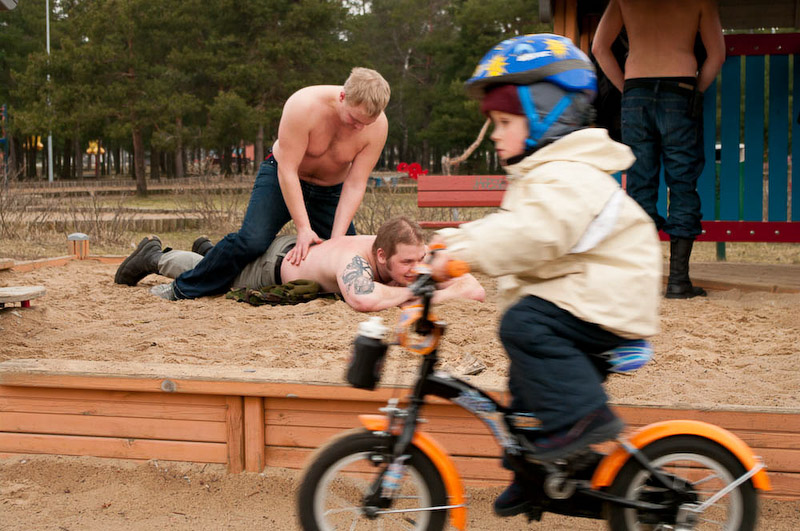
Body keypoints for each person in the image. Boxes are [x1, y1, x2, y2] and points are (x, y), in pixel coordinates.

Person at [429, 34, 661, 517]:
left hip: (609, 296)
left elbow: (532, 235)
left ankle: (586, 426)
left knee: (524, 326)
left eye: (505, 121)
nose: (494, 134)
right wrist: (450, 244)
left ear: (547, 115)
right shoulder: (542, 175)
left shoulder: (570, 174)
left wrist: (463, 257)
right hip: (581, 291)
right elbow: (510, 228)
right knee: (525, 388)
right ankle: (537, 473)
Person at [164, 67, 391, 301]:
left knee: (348, 258)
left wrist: (337, 240)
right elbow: (288, 169)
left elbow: (355, 183)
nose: (359, 128)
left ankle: (210, 254)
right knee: (252, 242)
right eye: (355, 119)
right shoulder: (303, 106)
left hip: (330, 191)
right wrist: (303, 229)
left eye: (367, 123)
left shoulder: (377, 127)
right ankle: (182, 288)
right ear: (343, 97)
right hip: (281, 178)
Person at [592, 0, 726, 298]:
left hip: (636, 91)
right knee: (682, 182)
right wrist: (697, 91)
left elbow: (599, 48)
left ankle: (641, 280)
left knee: (641, 183)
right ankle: (678, 280)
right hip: (680, 90)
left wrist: (626, 88)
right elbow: (717, 55)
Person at [115, 217, 485, 312]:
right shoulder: (353, 260)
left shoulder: (407, 256)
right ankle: (156, 255)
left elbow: (473, 288)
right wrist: (419, 294)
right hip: (272, 267)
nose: (414, 269)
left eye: (419, 260)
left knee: (218, 261)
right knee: (215, 278)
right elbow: (363, 300)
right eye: (406, 263)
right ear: (382, 256)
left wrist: (425, 289)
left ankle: (210, 248)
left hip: (295, 253)